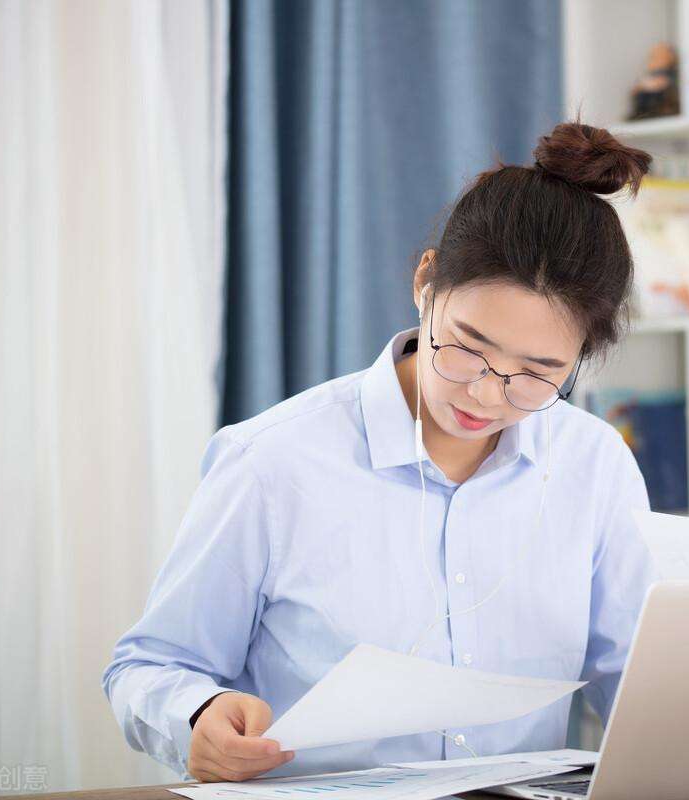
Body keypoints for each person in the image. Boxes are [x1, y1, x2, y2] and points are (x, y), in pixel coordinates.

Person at [102, 120, 658, 783]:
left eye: (537, 374)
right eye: (467, 347)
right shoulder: (272, 462)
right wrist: (198, 715)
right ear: (426, 283)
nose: (485, 393)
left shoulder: (593, 464)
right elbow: (150, 665)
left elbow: (632, 679)